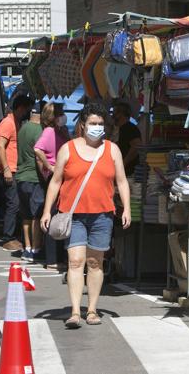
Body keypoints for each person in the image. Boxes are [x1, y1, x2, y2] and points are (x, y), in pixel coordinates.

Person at [40, 103, 131, 329]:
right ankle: (74, 311)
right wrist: (46, 210)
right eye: (93, 123)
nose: (97, 127)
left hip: (102, 215)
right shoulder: (68, 149)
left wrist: (126, 208)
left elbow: (121, 181)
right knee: (75, 261)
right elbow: (56, 181)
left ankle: (91, 310)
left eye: (101, 124)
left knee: (94, 262)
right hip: (74, 216)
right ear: (83, 124)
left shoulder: (112, 150)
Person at [0, 95, 34, 251]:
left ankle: (13, 235)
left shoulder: (16, 123)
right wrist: (5, 169)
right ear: (21, 108)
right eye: (27, 109)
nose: (28, 112)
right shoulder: (8, 123)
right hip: (9, 169)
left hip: (15, 169)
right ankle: (8, 237)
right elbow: (0, 146)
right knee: (13, 204)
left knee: (16, 204)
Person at [34, 102, 69, 269]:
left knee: (59, 217)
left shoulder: (59, 131)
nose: (62, 115)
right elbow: (38, 149)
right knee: (54, 217)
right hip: (55, 177)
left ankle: (58, 258)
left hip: (62, 176)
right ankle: (52, 259)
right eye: (59, 112)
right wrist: (49, 166)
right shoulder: (48, 132)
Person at [16, 109, 44, 262]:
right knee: (36, 215)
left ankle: (27, 247)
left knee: (25, 215)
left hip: (21, 176)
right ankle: (36, 248)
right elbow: (40, 154)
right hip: (34, 177)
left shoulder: (23, 128)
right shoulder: (40, 130)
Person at [113, 102, 141, 176]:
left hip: (129, 170)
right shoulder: (121, 129)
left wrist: (124, 162)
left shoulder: (130, 128)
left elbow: (136, 146)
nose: (112, 115)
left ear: (120, 114)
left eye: (114, 113)